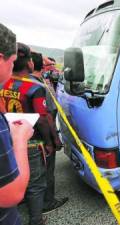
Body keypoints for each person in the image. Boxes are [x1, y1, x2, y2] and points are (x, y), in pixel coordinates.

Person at [2, 42, 55, 225]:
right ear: (30, 64)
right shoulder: (35, 87)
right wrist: (49, 142)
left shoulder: (4, 82)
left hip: (9, 139)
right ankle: (36, 220)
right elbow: (41, 118)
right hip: (30, 141)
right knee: (37, 183)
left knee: (15, 175)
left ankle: (22, 203)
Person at [0, 23, 34, 225]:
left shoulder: (9, 85)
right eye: (11, 61)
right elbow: (11, 194)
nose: (13, 67)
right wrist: (19, 138)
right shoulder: (35, 88)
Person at [31, 52, 68, 214]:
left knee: (33, 173)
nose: (52, 69)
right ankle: (48, 202)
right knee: (46, 171)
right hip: (41, 138)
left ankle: (32, 199)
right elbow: (47, 117)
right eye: (48, 66)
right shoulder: (39, 87)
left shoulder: (13, 83)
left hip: (24, 137)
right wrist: (54, 140)